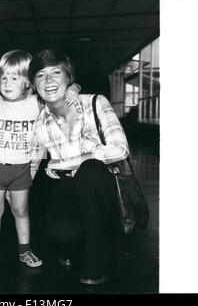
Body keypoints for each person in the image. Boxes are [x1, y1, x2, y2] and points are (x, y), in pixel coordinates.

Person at [0, 50, 80, 269]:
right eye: (4, 77)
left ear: (28, 82)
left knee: (21, 211)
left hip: (21, 169)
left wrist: (74, 87)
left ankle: (25, 251)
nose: (8, 83)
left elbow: (57, 93)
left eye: (15, 77)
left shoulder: (35, 104)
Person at [28, 50, 129, 285]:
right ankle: (73, 245)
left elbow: (120, 149)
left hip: (102, 187)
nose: (49, 80)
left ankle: (95, 265)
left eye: (56, 73)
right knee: (60, 233)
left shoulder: (95, 102)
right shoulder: (40, 123)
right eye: (41, 75)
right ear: (34, 85)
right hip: (69, 189)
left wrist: (65, 163)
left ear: (69, 78)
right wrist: (14, 196)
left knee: (90, 171)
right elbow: (32, 164)